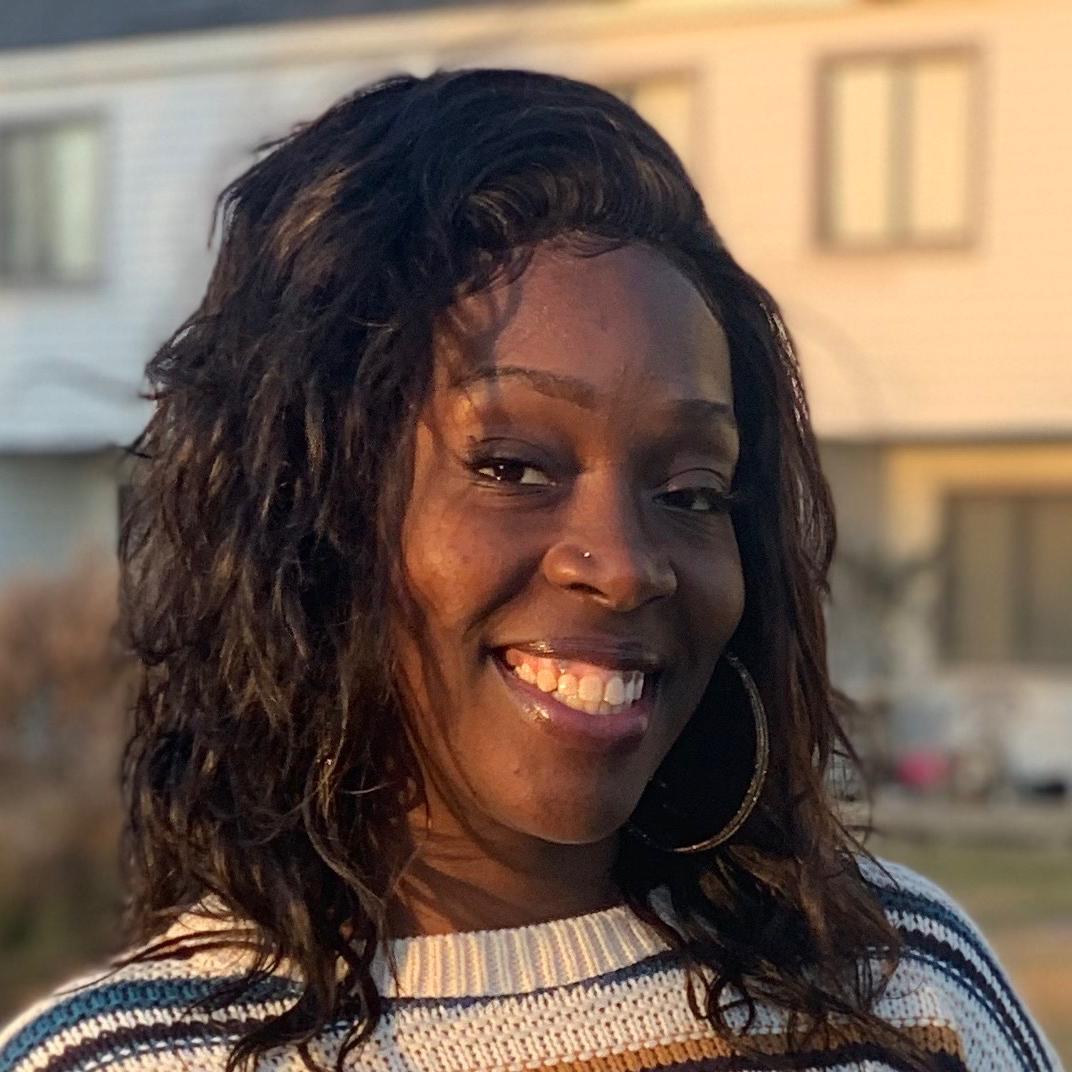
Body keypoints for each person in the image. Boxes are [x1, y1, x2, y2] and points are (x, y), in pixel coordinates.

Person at [0, 69, 1060, 1072]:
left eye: (692, 491)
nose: (625, 565)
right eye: (511, 467)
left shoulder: (901, 985)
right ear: (306, 511)